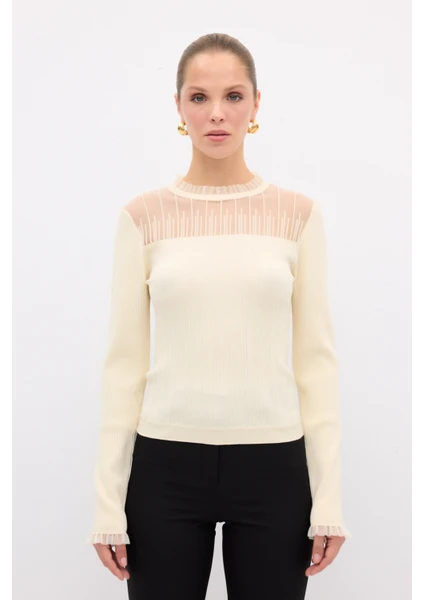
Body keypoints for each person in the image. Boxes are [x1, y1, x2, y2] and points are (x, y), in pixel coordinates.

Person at [85, 32, 352, 599]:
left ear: (256, 104)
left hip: (276, 468)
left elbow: (317, 364)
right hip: (163, 469)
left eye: (233, 96)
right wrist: (108, 505)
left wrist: (327, 499)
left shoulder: (297, 216)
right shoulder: (142, 218)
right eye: (199, 97)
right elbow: (123, 367)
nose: (216, 113)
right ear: (179, 107)